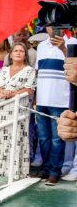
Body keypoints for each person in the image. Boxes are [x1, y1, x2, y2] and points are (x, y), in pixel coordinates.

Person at [0, 42, 36, 178]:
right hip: (0, 108)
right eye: (15, 51)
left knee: (15, 136)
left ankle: (12, 170)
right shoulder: (4, 70)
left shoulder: (30, 70)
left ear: (25, 55)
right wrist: (2, 91)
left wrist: (10, 94)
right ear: (10, 54)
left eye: (21, 51)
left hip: (17, 107)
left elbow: (29, 89)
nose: (18, 53)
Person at [33, 26, 75, 185]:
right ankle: (46, 168)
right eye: (51, 26)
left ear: (64, 26)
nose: (53, 29)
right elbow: (38, 74)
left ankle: (55, 172)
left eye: (57, 25)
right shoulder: (41, 46)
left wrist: (63, 47)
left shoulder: (73, 42)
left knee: (58, 139)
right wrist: (36, 98)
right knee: (43, 138)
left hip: (61, 100)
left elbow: (74, 67)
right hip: (42, 100)